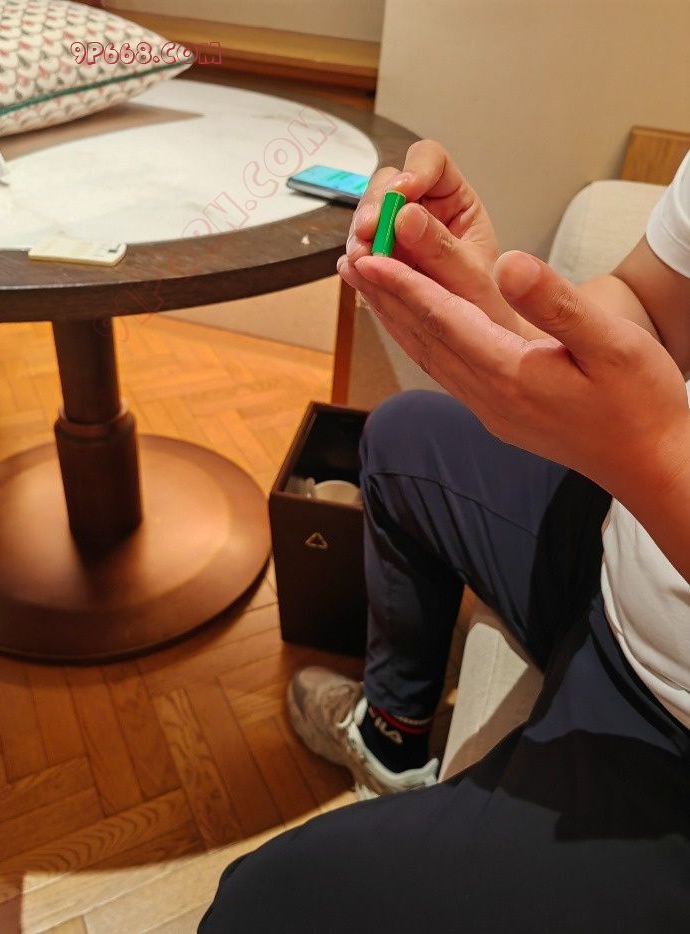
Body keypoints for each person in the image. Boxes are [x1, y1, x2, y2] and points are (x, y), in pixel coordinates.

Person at [199, 142, 690, 932]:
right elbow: (650, 303)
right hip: (624, 549)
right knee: (401, 442)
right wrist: (497, 314)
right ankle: (391, 743)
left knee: (259, 910)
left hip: (669, 720)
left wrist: (654, 458)